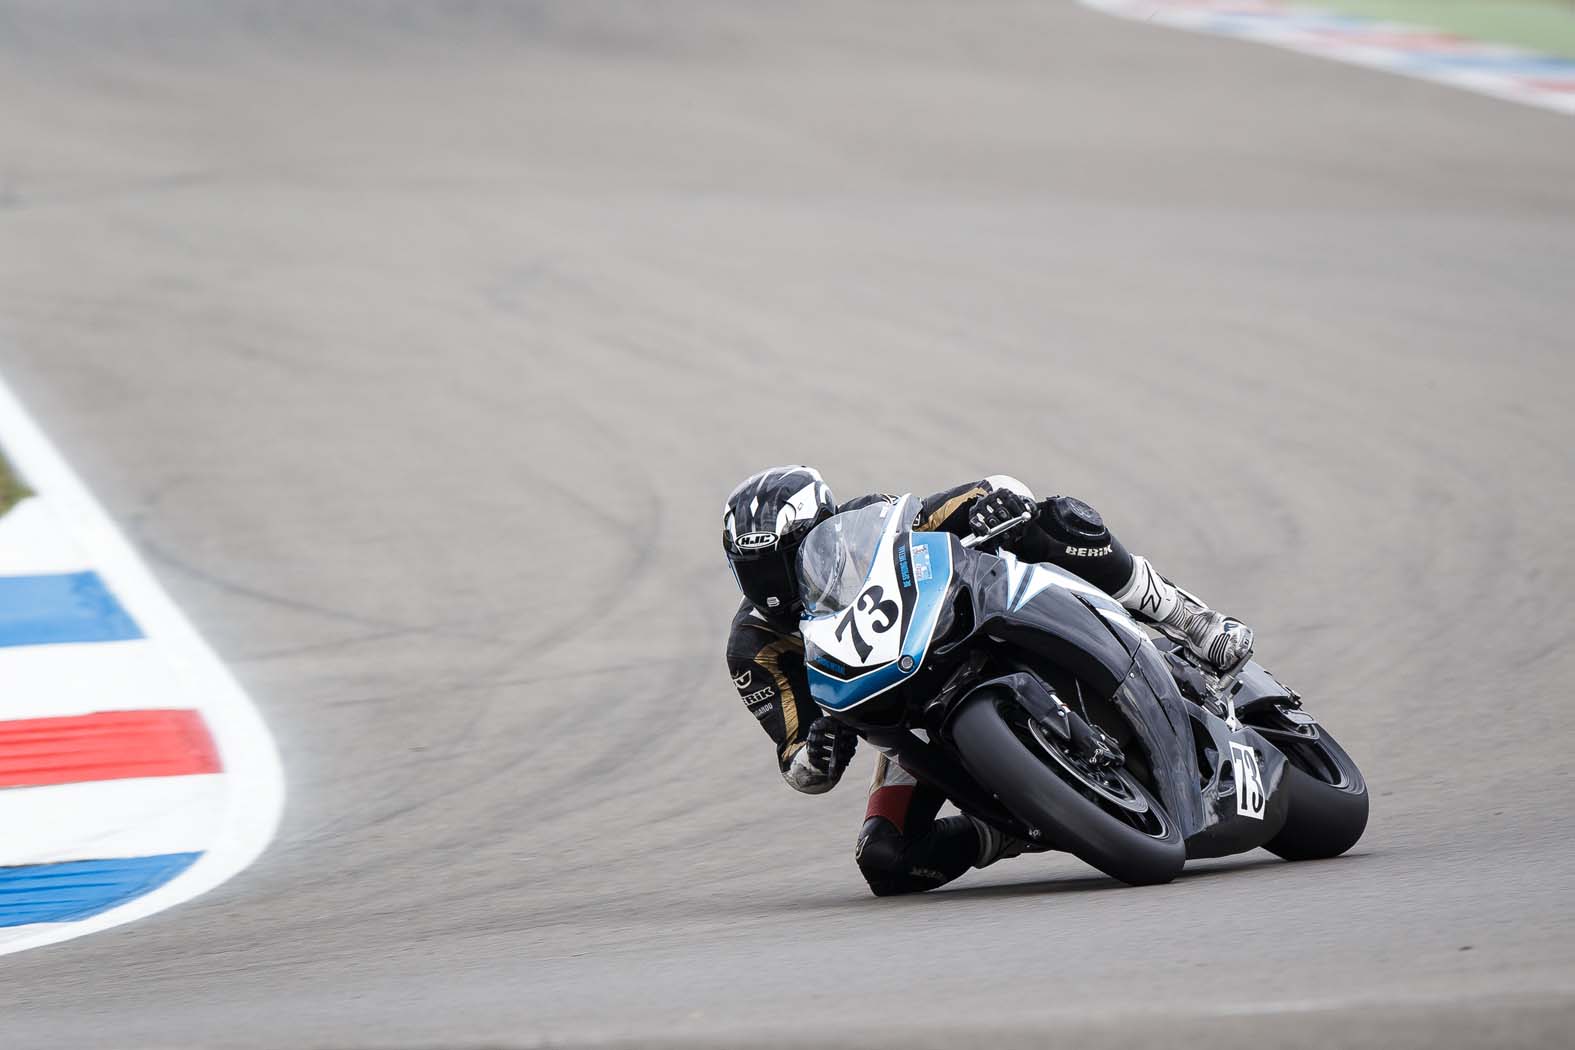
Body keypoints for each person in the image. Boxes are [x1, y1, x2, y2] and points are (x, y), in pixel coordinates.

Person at [721, 465, 1252, 897]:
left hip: (967, 625)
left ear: (821, 530)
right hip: (904, 718)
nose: (774, 581)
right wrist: (819, 753)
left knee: (1057, 519)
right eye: (756, 568)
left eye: (782, 559)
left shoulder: (867, 525)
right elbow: (798, 765)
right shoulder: (754, 648)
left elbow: (974, 495)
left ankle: (1190, 621)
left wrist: (999, 502)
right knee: (887, 862)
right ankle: (1002, 828)